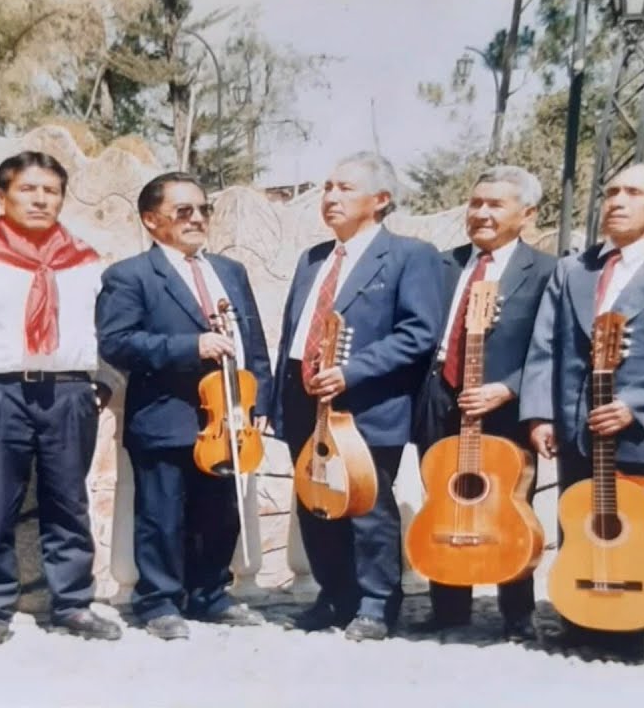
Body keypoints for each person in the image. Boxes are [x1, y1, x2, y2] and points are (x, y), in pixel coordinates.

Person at [520, 162, 644, 656]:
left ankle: (630, 621)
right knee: (578, 520)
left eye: (633, 192)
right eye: (611, 191)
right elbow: (545, 345)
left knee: (632, 525)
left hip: (635, 429)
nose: (616, 201)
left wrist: (636, 404)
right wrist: (541, 413)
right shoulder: (573, 269)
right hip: (574, 423)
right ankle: (579, 614)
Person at [0, 151, 123, 646]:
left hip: (67, 391)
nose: (41, 199)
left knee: (68, 501)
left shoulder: (86, 260)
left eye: (51, 190)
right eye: (28, 189)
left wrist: (101, 382)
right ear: (1, 197)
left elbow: (102, 329)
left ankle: (72, 603)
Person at [271, 152, 444, 642]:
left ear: (381, 199)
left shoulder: (411, 256)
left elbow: (418, 333)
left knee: (368, 507)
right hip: (303, 399)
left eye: (344, 188)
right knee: (315, 502)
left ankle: (374, 604)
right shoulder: (313, 260)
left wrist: (350, 373)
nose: (330, 197)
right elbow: (292, 333)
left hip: (366, 405)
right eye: (327, 187)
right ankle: (334, 596)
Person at [96, 172, 272, 640]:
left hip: (230, 416)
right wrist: (190, 346)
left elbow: (252, 341)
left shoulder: (230, 272)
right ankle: (159, 602)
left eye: (203, 209)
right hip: (164, 414)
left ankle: (211, 594)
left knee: (220, 511)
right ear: (152, 220)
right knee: (161, 516)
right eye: (183, 211)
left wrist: (262, 401)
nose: (197, 218)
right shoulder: (129, 275)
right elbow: (117, 342)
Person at [410, 165, 556, 643]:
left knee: (510, 504)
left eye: (495, 204)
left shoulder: (548, 271)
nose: (482, 213)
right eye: (476, 203)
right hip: (439, 394)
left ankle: (517, 613)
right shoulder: (443, 263)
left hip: (504, 404)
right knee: (445, 496)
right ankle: (448, 607)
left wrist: (510, 387)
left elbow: (553, 347)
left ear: (527, 213)